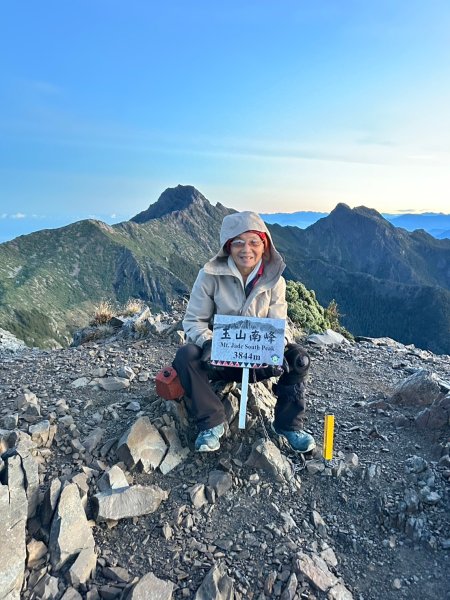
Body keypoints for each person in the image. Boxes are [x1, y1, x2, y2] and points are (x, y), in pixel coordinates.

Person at [173, 211, 315, 453]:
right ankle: (212, 422)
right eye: (237, 242)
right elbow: (194, 320)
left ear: (264, 245)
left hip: (260, 362)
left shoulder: (275, 281)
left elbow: (279, 324)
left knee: (298, 359)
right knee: (186, 355)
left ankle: (288, 425)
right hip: (220, 361)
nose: (245, 249)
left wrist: (277, 351)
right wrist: (209, 344)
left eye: (253, 242)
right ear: (228, 247)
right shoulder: (209, 276)